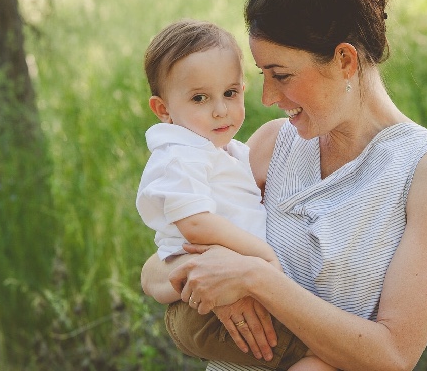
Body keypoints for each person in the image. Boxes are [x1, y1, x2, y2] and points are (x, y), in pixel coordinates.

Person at [142, 0, 427, 371]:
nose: (267, 98)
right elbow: (156, 268)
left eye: (281, 75)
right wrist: (204, 276)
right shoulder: (270, 145)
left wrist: (254, 277)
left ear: (344, 60)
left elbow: (393, 356)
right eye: (262, 76)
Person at [137, 19, 335, 370]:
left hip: (210, 294)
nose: (220, 110)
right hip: (205, 308)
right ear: (163, 110)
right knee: (328, 352)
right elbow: (195, 224)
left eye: (230, 93)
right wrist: (262, 258)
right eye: (199, 98)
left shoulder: (225, 151)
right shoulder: (180, 155)